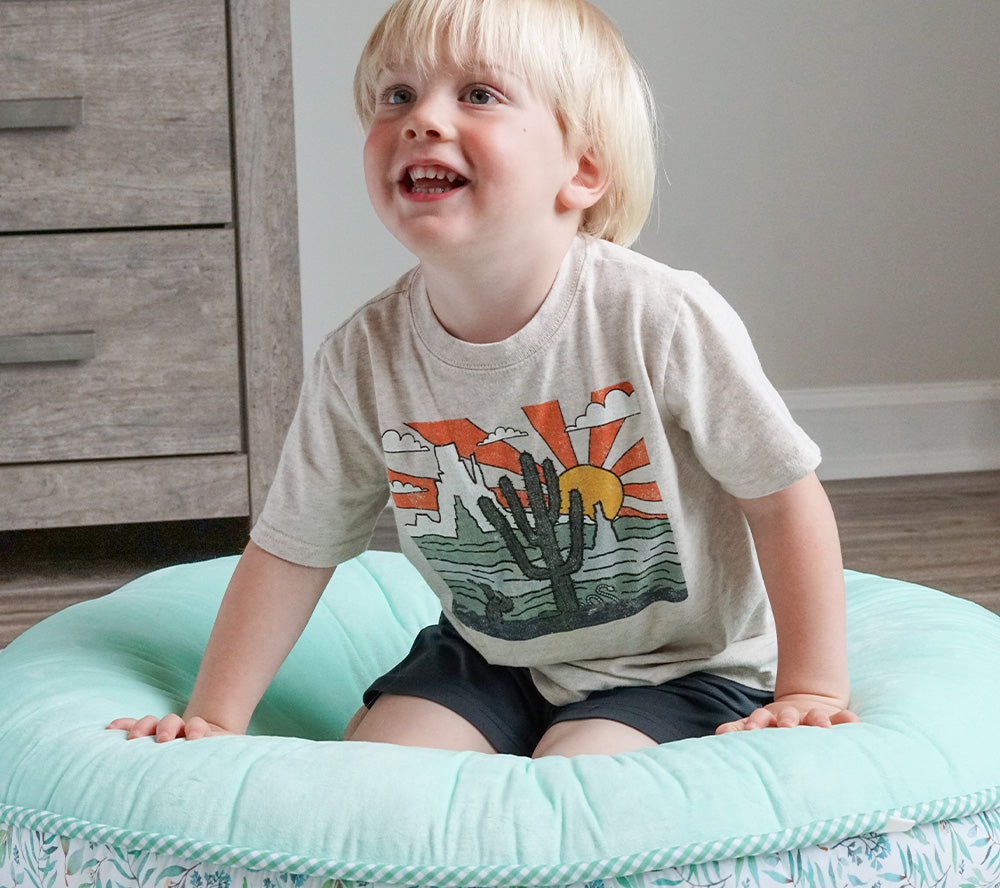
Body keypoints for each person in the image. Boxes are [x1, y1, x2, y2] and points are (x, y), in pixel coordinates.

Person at [109, 0, 859, 758]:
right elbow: (291, 549)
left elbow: (782, 498)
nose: (422, 119)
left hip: (678, 670)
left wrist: (811, 689)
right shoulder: (361, 357)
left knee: (583, 776)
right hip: (488, 658)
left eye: (478, 95)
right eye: (397, 96)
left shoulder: (660, 317)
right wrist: (214, 718)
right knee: (377, 774)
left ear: (583, 169)